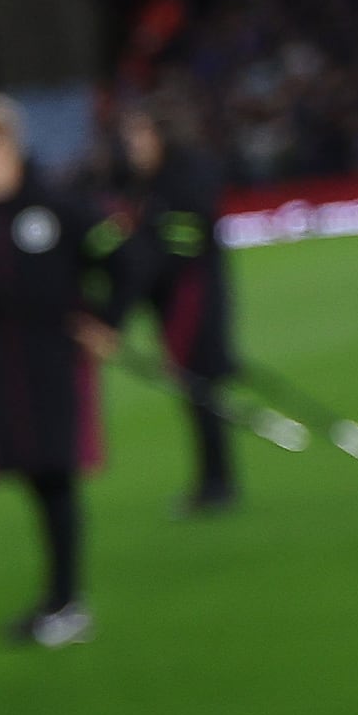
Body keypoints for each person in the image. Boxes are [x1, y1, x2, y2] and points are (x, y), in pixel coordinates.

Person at [0, 95, 118, 647]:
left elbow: (120, 256)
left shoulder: (59, 206)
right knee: (37, 478)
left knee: (56, 476)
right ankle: (59, 599)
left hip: (54, 364)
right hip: (1, 371)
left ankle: (67, 602)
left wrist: (107, 320)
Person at [104, 93, 241, 514]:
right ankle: (213, 480)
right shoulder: (149, 183)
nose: (133, 145)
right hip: (175, 299)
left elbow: (183, 240)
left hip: (194, 298)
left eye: (139, 135)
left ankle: (217, 483)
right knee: (196, 389)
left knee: (203, 389)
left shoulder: (181, 177)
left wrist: (147, 248)